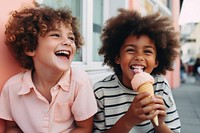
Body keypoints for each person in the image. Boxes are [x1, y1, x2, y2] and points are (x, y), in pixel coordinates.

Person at [0, 2, 97, 133]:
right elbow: (12, 127)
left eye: (71, 38)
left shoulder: (80, 82)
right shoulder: (12, 88)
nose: (67, 42)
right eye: (56, 35)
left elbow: (84, 128)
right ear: (30, 47)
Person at [93, 9, 181, 133]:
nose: (139, 57)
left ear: (156, 61)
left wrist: (159, 124)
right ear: (117, 57)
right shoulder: (101, 91)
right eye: (130, 50)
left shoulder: (160, 87)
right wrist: (128, 120)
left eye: (147, 51)